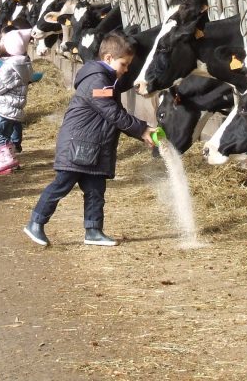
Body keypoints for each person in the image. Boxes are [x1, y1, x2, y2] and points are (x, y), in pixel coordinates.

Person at [23, 34, 155, 247]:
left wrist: (143, 132)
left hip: (92, 146)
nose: (126, 69)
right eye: (124, 64)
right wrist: (141, 129)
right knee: (61, 185)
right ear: (109, 58)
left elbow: (115, 114)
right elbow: (112, 113)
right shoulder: (97, 80)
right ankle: (35, 223)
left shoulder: (106, 80)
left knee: (95, 189)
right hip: (78, 145)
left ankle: (93, 230)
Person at [0, 29, 33, 176]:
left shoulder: (9, 67)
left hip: (4, 107)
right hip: (13, 107)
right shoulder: (23, 64)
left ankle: (7, 159)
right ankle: (8, 162)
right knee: (5, 135)